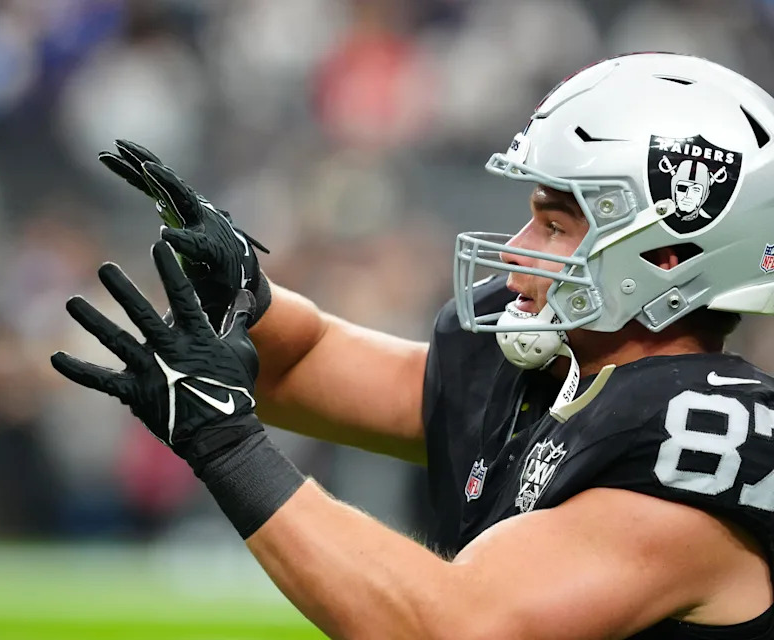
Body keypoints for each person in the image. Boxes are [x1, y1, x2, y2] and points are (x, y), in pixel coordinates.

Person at [52, 52, 774, 639]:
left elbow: (454, 627)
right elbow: (305, 365)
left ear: (671, 257)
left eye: (555, 226)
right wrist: (241, 300)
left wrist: (228, 446)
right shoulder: (555, 374)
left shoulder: (699, 440)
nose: (519, 252)